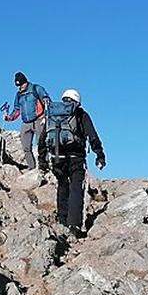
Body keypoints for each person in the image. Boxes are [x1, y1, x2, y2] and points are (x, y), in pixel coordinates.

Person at [41, 89, 106, 231]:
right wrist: (100, 155)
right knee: (76, 188)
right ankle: (74, 224)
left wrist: (42, 160)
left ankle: (62, 220)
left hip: (57, 156)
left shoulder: (52, 113)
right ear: (77, 101)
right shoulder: (81, 114)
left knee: (62, 185)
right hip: (76, 157)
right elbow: (92, 135)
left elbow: (42, 137)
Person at [2, 72, 51, 170]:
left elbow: (47, 102)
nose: (20, 87)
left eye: (21, 85)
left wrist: (46, 117)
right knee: (26, 146)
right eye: (18, 86)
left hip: (39, 120)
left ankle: (44, 167)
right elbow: (17, 109)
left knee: (41, 145)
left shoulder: (36, 89)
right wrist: (9, 118)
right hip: (26, 122)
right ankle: (31, 167)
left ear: (25, 82)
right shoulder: (18, 94)